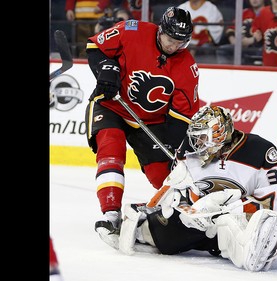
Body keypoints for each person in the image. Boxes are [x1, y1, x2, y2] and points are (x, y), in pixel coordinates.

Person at [117, 105, 277, 272]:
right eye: (196, 137)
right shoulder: (189, 148)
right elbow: (179, 192)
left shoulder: (260, 151)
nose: (197, 143)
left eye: (203, 137)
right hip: (198, 224)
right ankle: (147, 229)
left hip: (239, 222)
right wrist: (179, 205)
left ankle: (252, 245)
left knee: (231, 228)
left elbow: (274, 206)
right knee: (163, 239)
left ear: (220, 133)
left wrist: (231, 210)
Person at [85, 6, 200, 249]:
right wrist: (105, 70)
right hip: (112, 106)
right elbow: (96, 47)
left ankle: (191, 215)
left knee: (162, 174)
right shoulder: (131, 30)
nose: (173, 46)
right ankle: (111, 214)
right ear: (160, 30)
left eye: (180, 42)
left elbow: (182, 116)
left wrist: (172, 146)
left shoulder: (187, 66)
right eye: (170, 39)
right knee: (111, 149)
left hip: (151, 121)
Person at [216, 0, 265, 65]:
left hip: (260, 47)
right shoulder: (244, 12)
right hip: (242, 46)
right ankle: (227, 74)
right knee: (223, 50)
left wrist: (251, 40)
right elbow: (230, 29)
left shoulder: (268, 12)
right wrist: (234, 40)